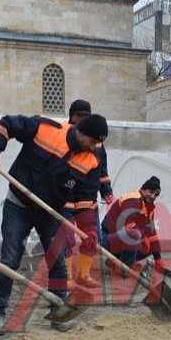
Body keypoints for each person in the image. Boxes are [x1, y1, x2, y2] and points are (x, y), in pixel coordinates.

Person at [0, 111, 107, 334]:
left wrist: (88, 230)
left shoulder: (91, 161)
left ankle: (58, 313)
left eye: (98, 143)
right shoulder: (46, 129)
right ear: (81, 132)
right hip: (18, 204)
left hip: (51, 212)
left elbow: (85, 199)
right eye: (94, 141)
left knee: (57, 262)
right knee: (10, 259)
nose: (95, 146)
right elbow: (6, 124)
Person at [64, 100, 111, 290]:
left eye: (86, 116)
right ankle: (66, 276)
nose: (82, 120)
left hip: (87, 198)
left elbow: (103, 170)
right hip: (65, 196)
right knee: (65, 237)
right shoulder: (65, 135)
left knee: (91, 237)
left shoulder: (98, 144)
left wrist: (106, 191)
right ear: (71, 116)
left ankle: (84, 275)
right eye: (79, 116)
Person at [101, 176, 163, 273]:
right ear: (143, 189)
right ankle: (125, 266)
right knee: (135, 234)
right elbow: (129, 227)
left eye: (156, 195)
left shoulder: (148, 208)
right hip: (106, 238)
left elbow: (152, 233)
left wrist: (158, 258)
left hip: (120, 239)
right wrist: (143, 238)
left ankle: (115, 261)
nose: (152, 196)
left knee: (150, 246)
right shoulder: (133, 199)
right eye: (150, 192)